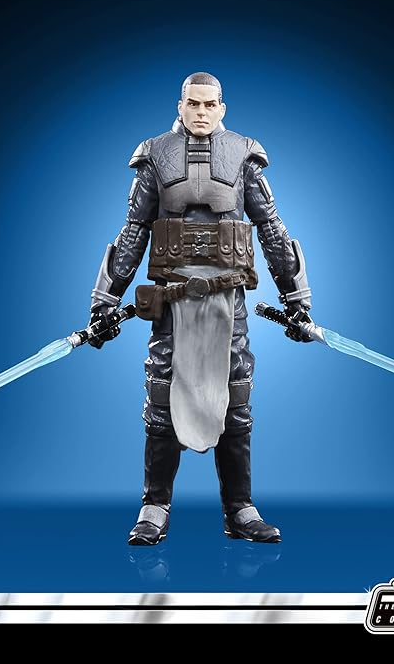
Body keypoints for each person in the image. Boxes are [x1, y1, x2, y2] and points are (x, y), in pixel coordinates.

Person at [88, 72, 313, 545]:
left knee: (236, 394)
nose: (202, 112)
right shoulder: (155, 155)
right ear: (181, 105)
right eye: (194, 103)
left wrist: (296, 298)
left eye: (211, 104)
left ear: (222, 108)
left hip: (228, 298)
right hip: (171, 300)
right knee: (162, 394)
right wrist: (105, 300)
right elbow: (134, 230)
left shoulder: (244, 155)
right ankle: (154, 506)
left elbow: (271, 227)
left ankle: (240, 509)